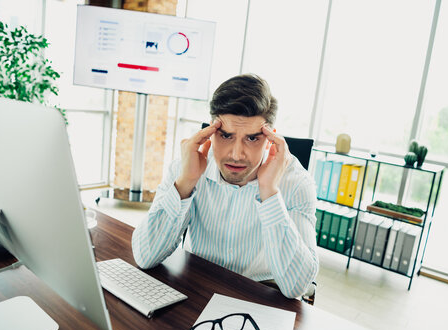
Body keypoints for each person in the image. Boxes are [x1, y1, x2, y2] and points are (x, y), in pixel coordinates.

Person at [132, 74, 318, 298]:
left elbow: (297, 286)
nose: (236, 154)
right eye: (226, 135)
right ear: (211, 132)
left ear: (270, 138)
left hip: (263, 293)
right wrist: (185, 183)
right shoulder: (186, 168)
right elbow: (145, 256)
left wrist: (269, 193)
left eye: (252, 139)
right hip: (198, 284)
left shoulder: (297, 183)